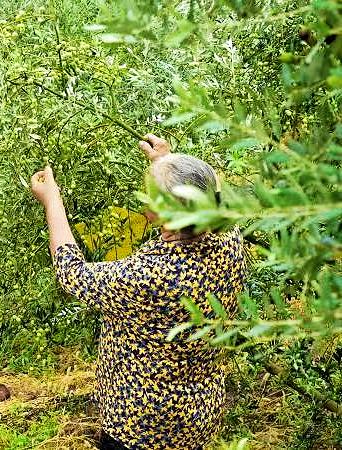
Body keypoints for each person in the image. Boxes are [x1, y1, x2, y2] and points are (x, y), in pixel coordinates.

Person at [30, 134, 246, 449]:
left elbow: (71, 272)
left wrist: (52, 201)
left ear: (156, 213)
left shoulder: (148, 276)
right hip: (198, 415)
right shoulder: (230, 239)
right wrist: (166, 165)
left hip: (141, 426)